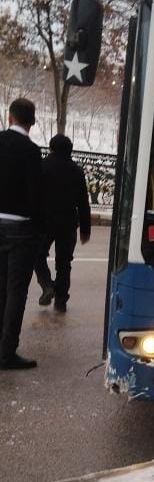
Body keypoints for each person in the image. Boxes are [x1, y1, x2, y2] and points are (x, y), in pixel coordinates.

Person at [0, 98, 43, 370]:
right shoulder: (31, 152)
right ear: (33, 122)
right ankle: (6, 353)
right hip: (20, 229)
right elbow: (35, 195)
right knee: (16, 292)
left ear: (10, 117)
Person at [35, 134, 91, 313]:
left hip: (45, 223)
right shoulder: (77, 171)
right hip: (68, 224)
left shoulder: (43, 166)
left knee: (37, 255)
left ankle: (47, 285)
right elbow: (83, 202)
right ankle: (61, 301)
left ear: (51, 148)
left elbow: (33, 196)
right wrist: (85, 229)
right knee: (64, 263)